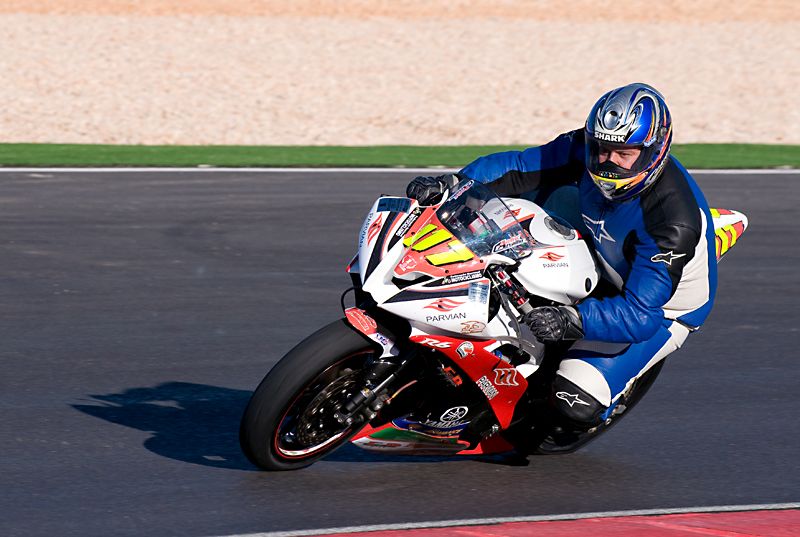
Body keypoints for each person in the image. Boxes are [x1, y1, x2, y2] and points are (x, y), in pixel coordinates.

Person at [406, 83, 718, 436]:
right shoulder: (588, 148)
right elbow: (520, 166)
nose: (608, 162)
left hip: (659, 309)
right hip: (597, 231)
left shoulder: (671, 223)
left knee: (572, 403)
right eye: (601, 148)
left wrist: (572, 320)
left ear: (654, 151)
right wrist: (454, 186)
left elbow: (641, 314)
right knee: (508, 218)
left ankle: (595, 394)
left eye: (624, 154)